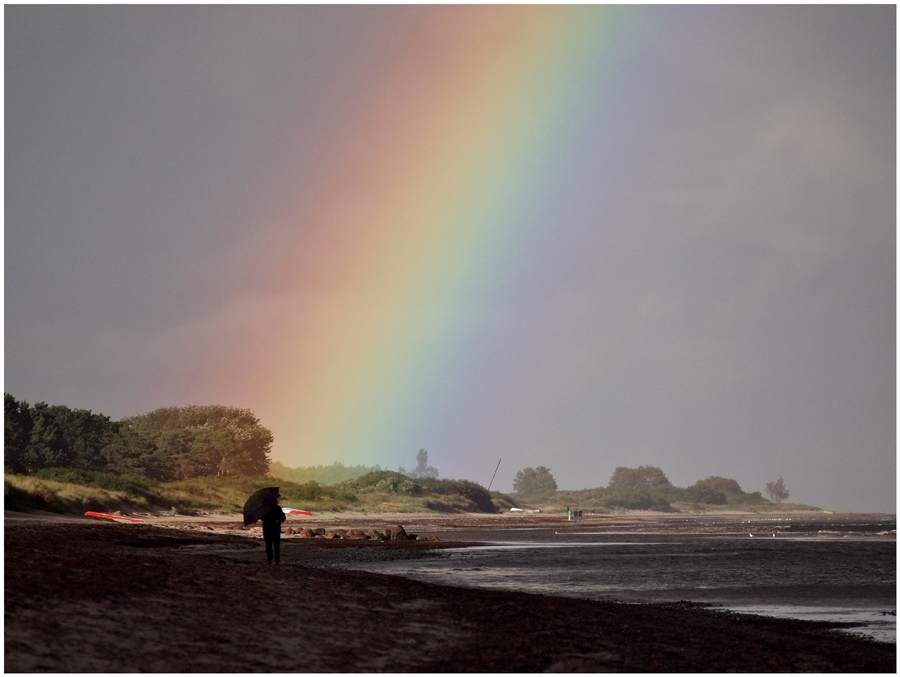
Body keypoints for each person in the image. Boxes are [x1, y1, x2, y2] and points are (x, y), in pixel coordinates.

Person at [260, 498, 286, 564]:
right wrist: (278, 520)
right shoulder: (277, 508)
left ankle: (269, 559)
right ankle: (276, 560)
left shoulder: (264, 509)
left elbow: (261, 517)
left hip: (267, 528)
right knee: (276, 545)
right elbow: (283, 518)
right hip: (275, 529)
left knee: (268, 545)